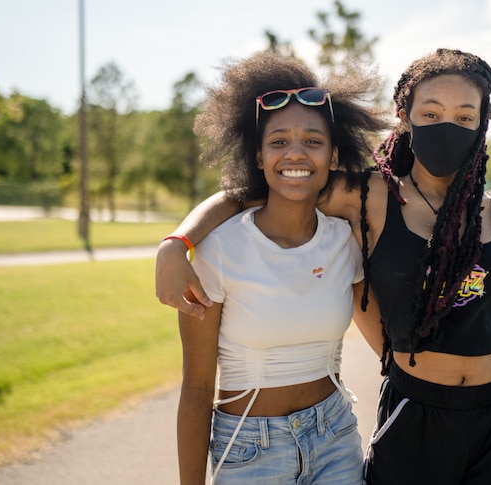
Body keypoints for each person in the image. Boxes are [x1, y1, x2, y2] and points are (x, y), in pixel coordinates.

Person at [158, 48, 491, 484]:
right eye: (431, 113)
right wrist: (176, 243)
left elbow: (486, 305)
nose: (447, 127)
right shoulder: (367, 198)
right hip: (416, 410)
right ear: (404, 115)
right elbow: (261, 187)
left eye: (465, 116)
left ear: (483, 122)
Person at [173, 51, 389, 485]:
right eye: (278, 142)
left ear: (333, 157)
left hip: (335, 437)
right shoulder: (218, 249)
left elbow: (393, 347)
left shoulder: (344, 241)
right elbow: (197, 389)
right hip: (250, 448)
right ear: (258, 157)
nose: (296, 153)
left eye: (313, 141)